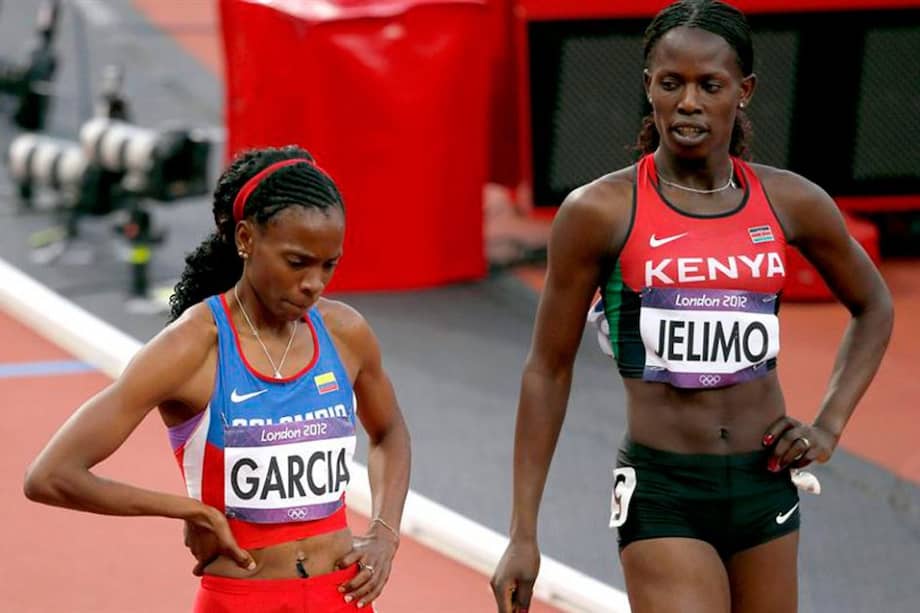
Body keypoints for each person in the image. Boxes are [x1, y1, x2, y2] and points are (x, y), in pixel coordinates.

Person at [490, 1, 894, 612]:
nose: (689, 102)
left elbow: (874, 306)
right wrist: (522, 531)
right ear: (648, 85)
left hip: (765, 486)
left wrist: (830, 425)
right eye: (671, 83)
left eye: (711, 85)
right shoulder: (599, 212)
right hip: (664, 491)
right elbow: (547, 369)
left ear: (745, 91)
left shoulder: (790, 201)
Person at [24, 145, 411, 612]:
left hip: (342, 596)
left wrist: (385, 534)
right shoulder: (193, 346)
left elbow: (389, 432)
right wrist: (189, 509)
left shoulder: (345, 333)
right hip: (242, 599)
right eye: (297, 262)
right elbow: (51, 475)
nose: (314, 283)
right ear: (245, 239)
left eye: (328, 265)